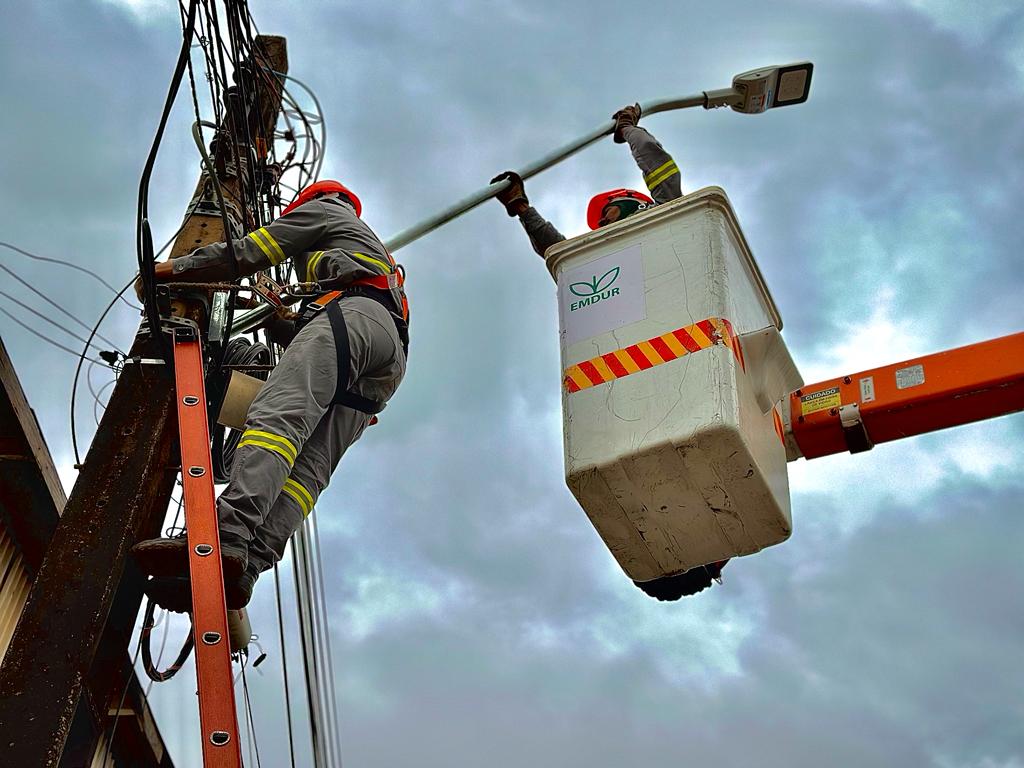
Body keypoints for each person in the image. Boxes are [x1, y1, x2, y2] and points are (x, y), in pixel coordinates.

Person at [133, 180, 409, 611]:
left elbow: (246, 253)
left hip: (354, 315)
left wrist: (170, 270)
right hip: (386, 353)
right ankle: (246, 566)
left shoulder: (323, 209)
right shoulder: (366, 249)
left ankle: (225, 536)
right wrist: (280, 320)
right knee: (309, 470)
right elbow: (318, 340)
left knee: (277, 421)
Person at [492, 105, 727, 600]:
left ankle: (687, 554)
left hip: (672, 370)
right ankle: (685, 553)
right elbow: (557, 252)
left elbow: (659, 168)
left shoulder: (666, 223)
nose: (603, 225)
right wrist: (523, 210)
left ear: (621, 209)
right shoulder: (612, 262)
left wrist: (631, 131)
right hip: (657, 379)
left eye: (606, 217)